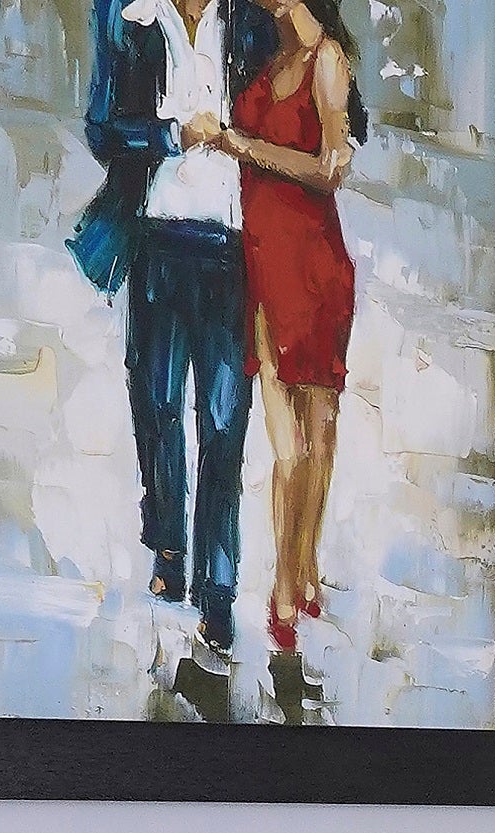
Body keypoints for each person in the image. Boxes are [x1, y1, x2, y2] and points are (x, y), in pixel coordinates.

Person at [76, 0, 273, 668]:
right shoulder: (128, 15)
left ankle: (218, 593)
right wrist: (170, 137)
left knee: (224, 420)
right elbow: (102, 130)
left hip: (231, 248)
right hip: (157, 239)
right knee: (158, 407)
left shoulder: (248, 21)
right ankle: (168, 543)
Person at [213, 1, 364, 663]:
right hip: (262, 264)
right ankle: (292, 577)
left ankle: (292, 579)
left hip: (313, 265)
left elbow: (333, 167)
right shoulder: (267, 61)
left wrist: (244, 147)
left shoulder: (326, 58)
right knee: (293, 441)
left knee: (315, 435)